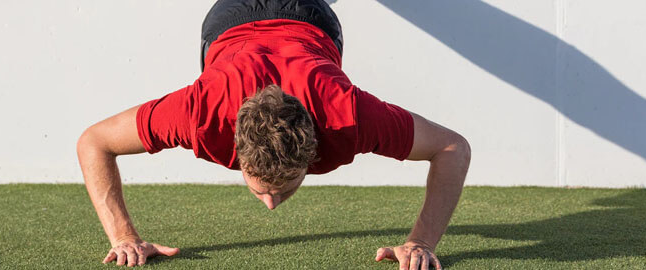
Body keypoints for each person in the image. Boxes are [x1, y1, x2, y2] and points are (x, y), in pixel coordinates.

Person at [76, 0, 471, 269]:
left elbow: (454, 148)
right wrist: (123, 236)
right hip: (236, 14)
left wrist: (422, 242)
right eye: (264, 187)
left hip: (307, 12)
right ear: (234, 143)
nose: (271, 204)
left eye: (283, 187)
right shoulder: (202, 113)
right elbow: (93, 142)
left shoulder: (345, 116)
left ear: (315, 147)